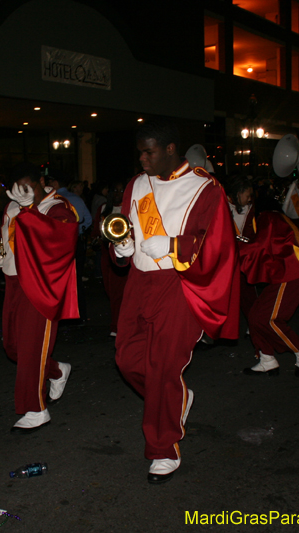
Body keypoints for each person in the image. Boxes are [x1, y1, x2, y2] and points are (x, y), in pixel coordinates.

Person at [112, 120, 239, 484]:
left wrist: (172, 246)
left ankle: (163, 449)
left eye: (149, 151)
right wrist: (121, 248)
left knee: (164, 368)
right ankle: (175, 400)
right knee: (127, 359)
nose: (142, 158)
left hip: (178, 283)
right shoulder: (136, 184)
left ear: (170, 149)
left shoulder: (204, 187)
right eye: (139, 151)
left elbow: (216, 242)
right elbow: (125, 227)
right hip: (139, 281)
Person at [0, 162, 78, 434]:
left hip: (42, 286)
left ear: (41, 181)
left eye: (28, 187)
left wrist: (29, 210)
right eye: (18, 189)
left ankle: (35, 408)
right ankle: (57, 370)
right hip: (13, 281)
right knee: (13, 347)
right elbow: (5, 236)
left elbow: (59, 240)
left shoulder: (59, 207)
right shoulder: (13, 206)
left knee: (30, 348)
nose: (23, 193)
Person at [240, 209, 299, 377]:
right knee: (255, 316)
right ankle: (267, 359)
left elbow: (260, 246)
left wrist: (236, 248)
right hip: (287, 273)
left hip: (294, 273)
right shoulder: (275, 217)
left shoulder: (268, 216)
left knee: (268, 319)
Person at [47, 170, 92, 322]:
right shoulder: (76, 199)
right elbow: (88, 220)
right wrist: (79, 230)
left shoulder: (54, 200)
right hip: (76, 242)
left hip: (59, 244)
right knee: (77, 278)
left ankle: (62, 316)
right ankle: (81, 315)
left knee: (60, 279)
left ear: (55, 183)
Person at [91, 182, 128, 337]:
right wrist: (96, 240)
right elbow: (95, 232)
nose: (119, 193)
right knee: (111, 291)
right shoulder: (104, 208)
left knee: (121, 292)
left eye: (122, 190)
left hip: (125, 253)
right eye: (116, 190)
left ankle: (118, 326)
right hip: (107, 254)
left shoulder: (130, 207)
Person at [225, 176, 258, 328]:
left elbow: (252, 233)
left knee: (248, 294)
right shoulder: (223, 205)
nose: (250, 198)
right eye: (247, 194)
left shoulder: (250, 208)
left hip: (244, 258)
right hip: (226, 258)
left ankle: (255, 325)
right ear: (238, 193)